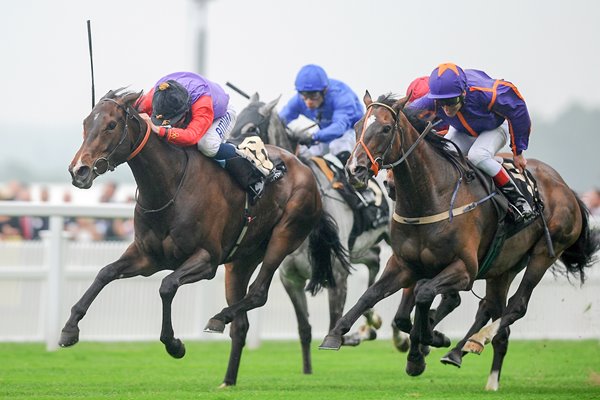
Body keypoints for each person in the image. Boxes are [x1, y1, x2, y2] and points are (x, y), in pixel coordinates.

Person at [407, 62, 535, 222]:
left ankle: (519, 201)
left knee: (477, 155)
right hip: (462, 129)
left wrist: (518, 152)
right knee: (442, 154)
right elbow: (404, 114)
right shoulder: (433, 99)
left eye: (451, 101)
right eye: (442, 102)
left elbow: (518, 110)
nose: (446, 108)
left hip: (494, 127)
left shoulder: (488, 93)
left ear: (463, 93)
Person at [136, 71, 277, 200]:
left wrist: (160, 130)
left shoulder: (202, 105)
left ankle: (250, 169)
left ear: (185, 111)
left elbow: (192, 136)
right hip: (194, 101)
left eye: (174, 120)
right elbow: (131, 107)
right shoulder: (156, 96)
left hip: (220, 113)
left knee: (207, 145)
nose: (170, 124)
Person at [279, 64, 364, 166]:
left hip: (351, 131)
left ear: (324, 91)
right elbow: (279, 120)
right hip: (324, 130)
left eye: (313, 95)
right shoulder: (298, 100)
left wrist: (313, 137)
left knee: (337, 146)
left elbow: (339, 127)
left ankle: (354, 180)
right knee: (304, 153)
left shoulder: (341, 96)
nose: (308, 102)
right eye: (304, 95)